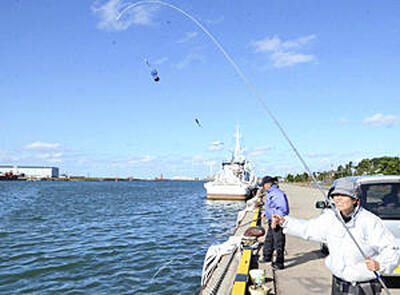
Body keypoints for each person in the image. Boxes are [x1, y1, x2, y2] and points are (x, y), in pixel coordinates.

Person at [272, 178, 400, 294]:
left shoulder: (370, 221)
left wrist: (380, 264)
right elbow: (309, 229)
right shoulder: (330, 217)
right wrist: (285, 222)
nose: (338, 198)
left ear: (355, 199)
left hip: (362, 286)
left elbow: (391, 249)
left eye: (343, 195)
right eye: (335, 195)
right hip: (338, 282)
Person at [259, 176, 290, 270]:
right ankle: (267, 256)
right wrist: (266, 213)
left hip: (277, 220)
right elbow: (271, 206)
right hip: (271, 219)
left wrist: (275, 221)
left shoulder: (277, 193)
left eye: (263, 185)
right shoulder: (270, 193)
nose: (263, 187)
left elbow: (281, 209)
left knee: (278, 242)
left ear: (268, 184)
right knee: (269, 239)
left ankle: (279, 263)